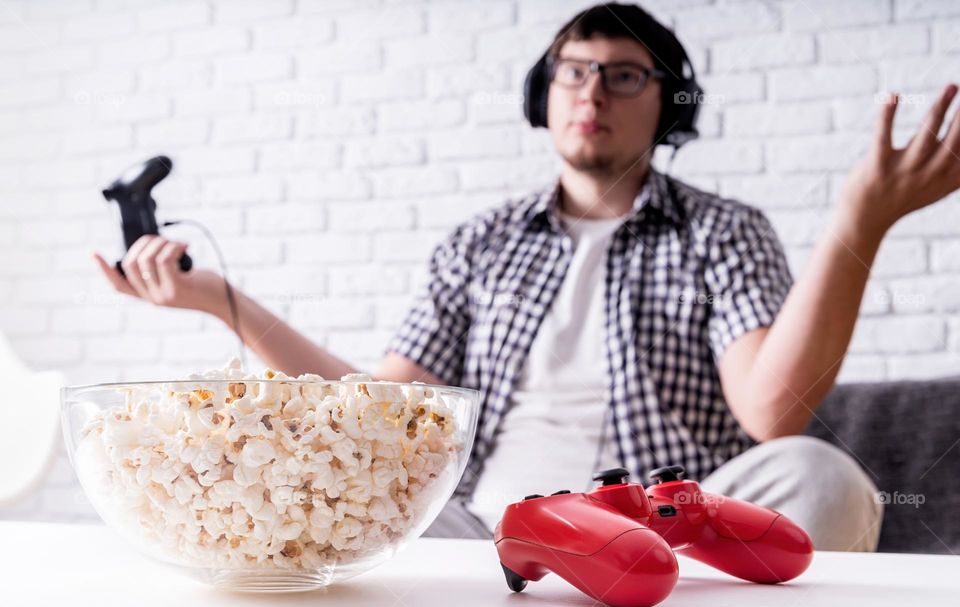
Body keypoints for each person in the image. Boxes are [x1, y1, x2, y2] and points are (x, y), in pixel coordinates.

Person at [94, 3, 960, 552]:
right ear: (543, 94)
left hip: (675, 532)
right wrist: (222, 303)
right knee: (357, 498)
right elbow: (381, 410)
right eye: (573, 72)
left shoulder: (723, 231)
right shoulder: (479, 244)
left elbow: (771, 413)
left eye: (625, 75)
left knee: (820, 476)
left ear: (668, 105)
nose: (594, 91)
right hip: (492, 533)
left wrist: (859, 223)